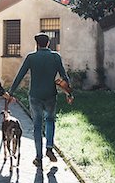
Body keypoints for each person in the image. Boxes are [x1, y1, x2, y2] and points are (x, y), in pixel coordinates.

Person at [9, 33, 70, 168]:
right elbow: (64, 76)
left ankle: (38, 157)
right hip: (50, 94)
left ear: (37, 44)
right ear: (48, 43)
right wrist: (69, 93)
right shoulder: (55, 57)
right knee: (50, 120)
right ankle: (49, 147)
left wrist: (11, 92)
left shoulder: (31, 57)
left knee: (37, 125)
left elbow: (20, 75)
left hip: (35, 95)